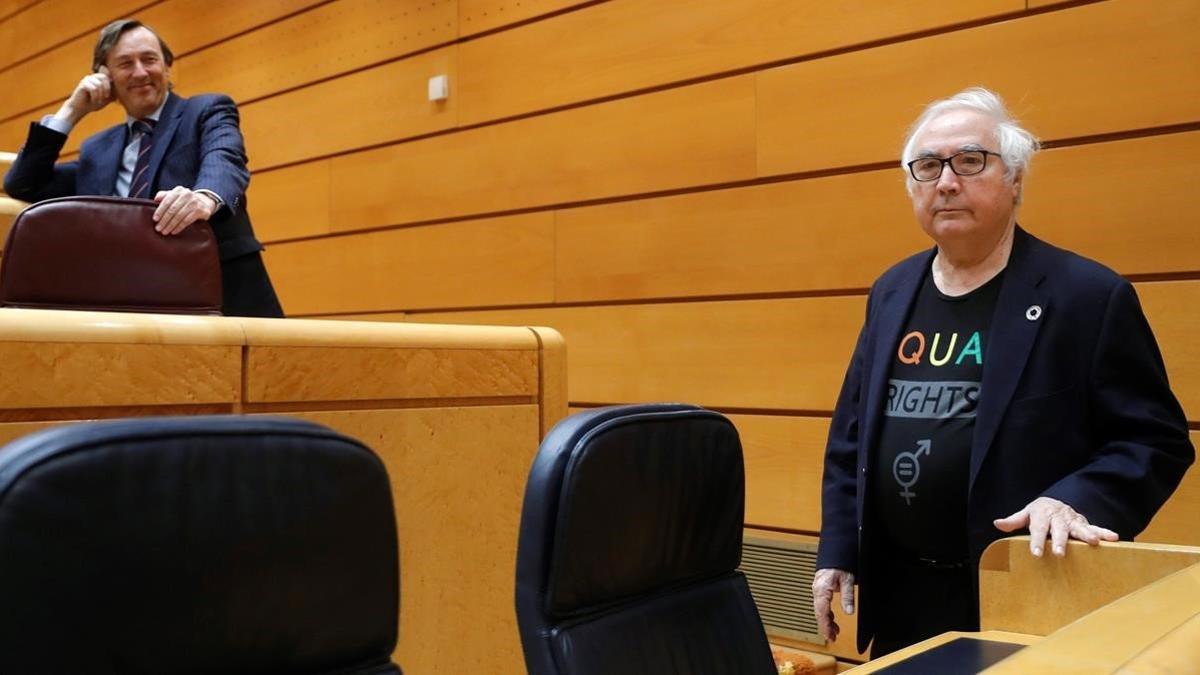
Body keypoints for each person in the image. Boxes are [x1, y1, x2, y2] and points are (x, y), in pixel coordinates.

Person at [811, 87, 1193, 658]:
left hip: (1030, 594)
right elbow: (851, 439)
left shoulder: (1087, 296)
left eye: (970, 161)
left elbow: (1154, 440)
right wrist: (839, 548)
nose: (945, 181)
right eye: (928, 167)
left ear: (1015, 180)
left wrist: (1074, 499)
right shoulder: (892, 292)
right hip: (902, 598)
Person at [3, 19, 283, 318]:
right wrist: (71, 111)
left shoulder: (206, 110)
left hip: (221, 301)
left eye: (149, 59)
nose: (140, 72)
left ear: (166, 66)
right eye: (125, 63)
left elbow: (226, 161)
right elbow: (22, 184)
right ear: (105, 77)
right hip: (127, 308)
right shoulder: (97, 150)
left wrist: (205, 197)